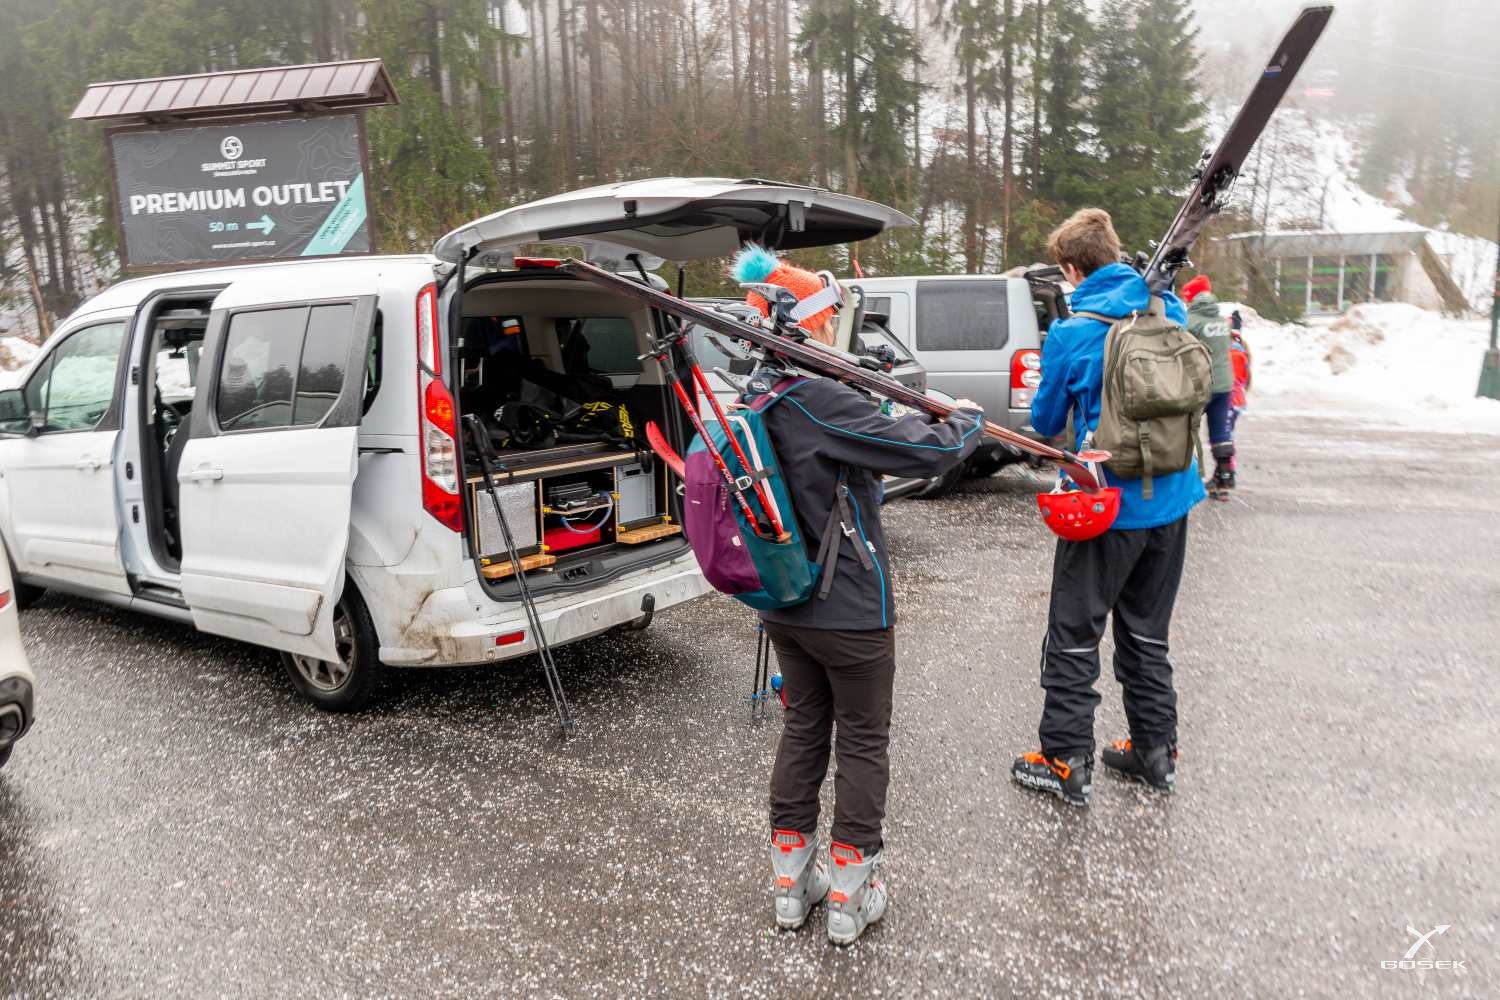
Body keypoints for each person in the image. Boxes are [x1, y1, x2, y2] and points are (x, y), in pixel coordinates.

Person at [730, 244, 984, 944]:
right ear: (808, 324)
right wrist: (964, 420)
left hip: (785, 602)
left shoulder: (757, 394)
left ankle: (791, 884)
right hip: (846, 606)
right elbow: (926, 450)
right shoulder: (818, 398)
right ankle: (850, 892)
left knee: (804, 727)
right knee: (864, 740)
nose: (834, 330)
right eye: (828, 320)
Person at [1010, 209, 1205, 806]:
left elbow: (1046, 421)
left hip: (1104, 507)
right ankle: (1155, 751)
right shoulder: (1167, 310)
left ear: (1072, 269)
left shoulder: (1073, 332)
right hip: (1173, 496)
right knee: (1147, 631)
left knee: (1074, 633)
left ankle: (1065, 759)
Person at [1181, 274, 1235, 500]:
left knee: (1184, 431)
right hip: (1224, 384)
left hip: (1200, 384)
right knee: (1220, 431)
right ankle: (1224, 479)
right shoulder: (1221, 321)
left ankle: (1185, 481)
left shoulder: (1190, 321)